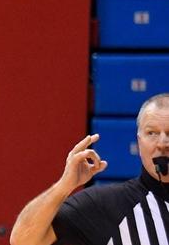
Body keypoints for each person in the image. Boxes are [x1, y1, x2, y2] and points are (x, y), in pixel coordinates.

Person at [9, 92, 169, 245]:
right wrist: (64, 185)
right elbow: (23, 240)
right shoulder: (109, 206)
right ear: (139, 142)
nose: (162, 144)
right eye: (152, 133)